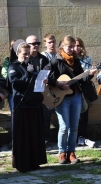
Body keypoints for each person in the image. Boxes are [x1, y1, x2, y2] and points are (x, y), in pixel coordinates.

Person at [43, 35, 97, 164]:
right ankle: (62, 152)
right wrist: (57, 83)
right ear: (63, 46)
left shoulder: (76, 60)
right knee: (64, 126)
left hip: (76, 96)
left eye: (73, 46)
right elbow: (44, 74)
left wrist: (89, 75)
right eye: (70, 46)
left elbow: (80, 80)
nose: (72, 49)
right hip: (61, 99)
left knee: (74, 126)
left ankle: (71, 152)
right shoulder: (57, 60)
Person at [8, 39, 47, 172]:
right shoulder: (13, 67)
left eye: (28, 54)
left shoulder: (30, 65)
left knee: (34, 135)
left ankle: (35, 161)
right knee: (23, 136)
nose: (26, 56)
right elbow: (15, 84)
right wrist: (28, 74)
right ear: (18, 54)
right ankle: (23, 164)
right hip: (22, 105)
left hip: (34, 104)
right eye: (24, 54)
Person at [26, 35, 51, 148]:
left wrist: (48, 79)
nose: (36, 45)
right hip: (29, 93)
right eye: (33, 44)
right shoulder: (25, 59)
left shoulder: (44, 59)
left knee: (45, 115)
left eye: (38, 43)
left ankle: (45, 139)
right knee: (31, 117)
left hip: (43, 91)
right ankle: (32, 140)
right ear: (27, 45)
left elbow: (49, 73)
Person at [74, 37, 95, 148]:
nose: (77, 48)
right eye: (75, 45)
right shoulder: (69, 58)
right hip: (71, 90)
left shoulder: (86, 58)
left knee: (83, 114)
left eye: (79, 45)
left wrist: (91, 74)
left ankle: (82, 136)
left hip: (84, 90)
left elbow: (87, 76)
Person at [1, 39, 17, 149]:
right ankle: (14, 141)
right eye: (13, 46)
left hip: (25, 94)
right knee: (14, 117)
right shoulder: (8, 61)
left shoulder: (27, 58)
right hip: (12, 93)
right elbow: (5, 76)